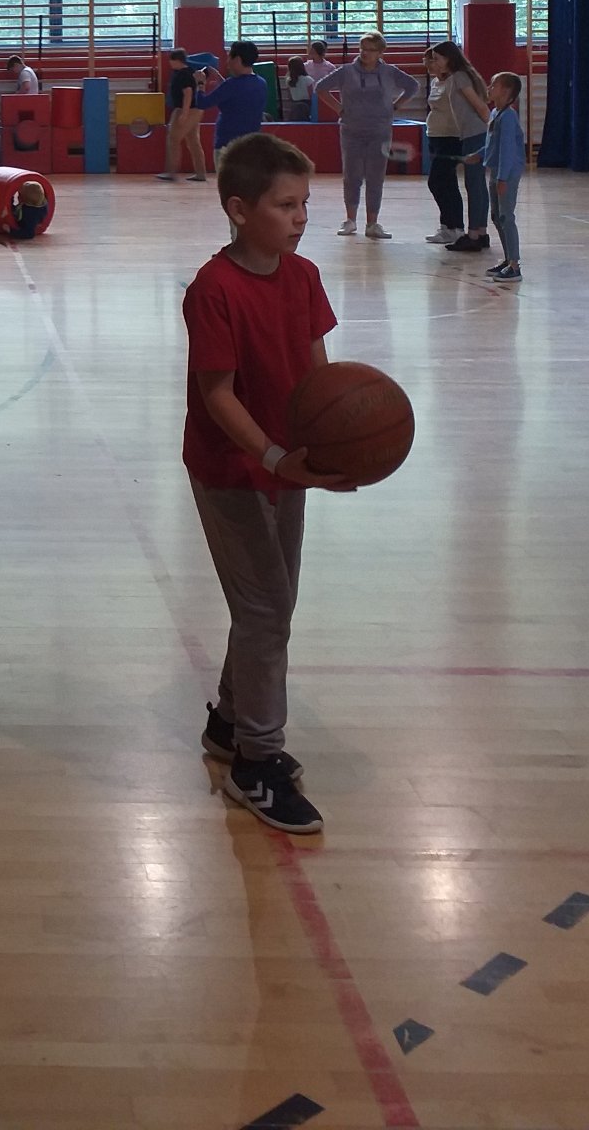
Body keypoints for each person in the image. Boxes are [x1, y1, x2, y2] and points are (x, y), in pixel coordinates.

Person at [183, 132, 353, 836]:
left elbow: (318, 373)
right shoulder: (213, 290)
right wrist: (275, 457)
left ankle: (229, 724)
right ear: (239, 209)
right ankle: (256, 761)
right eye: (286, 205)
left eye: (305, 204)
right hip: (231, 470)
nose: (301, 217)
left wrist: (330, 440)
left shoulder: (304, 277)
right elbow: (217, 395)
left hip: (287, 462)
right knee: (265, 609)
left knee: (271, 604)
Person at [313, 32, 420, 239]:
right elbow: (321, 88)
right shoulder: (346, 71)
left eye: (371, 50)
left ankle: (372, 223)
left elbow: (413, 86)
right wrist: (339, 108)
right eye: (362, 48)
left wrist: (396, 105)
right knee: (351, 176)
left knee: (375, 177)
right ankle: (350, 220)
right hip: (351, 130)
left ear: (380, 53)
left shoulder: (389, 72)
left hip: (380, 131)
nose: (365, 53)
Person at [423, 41, 491, 254]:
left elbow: (480, 107)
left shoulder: (459, 77)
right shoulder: (455, 77)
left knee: (474, 185)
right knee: (475, 184)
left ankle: (473, 235)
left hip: (474, 134)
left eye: (437, 59)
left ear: (449, 58)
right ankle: (480, 233)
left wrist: (493, 131)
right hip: (468, 134)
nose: (434, 63)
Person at [200, 40, 269, 169]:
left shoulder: (231, 85)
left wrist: (200, 84)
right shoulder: (261, 83)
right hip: (251, 145)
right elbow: (238, 99)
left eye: (229, 57)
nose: (227, 63)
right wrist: (222, 81)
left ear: (237, 59)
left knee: (228, 181)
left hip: (228, 146)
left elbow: (202, 103)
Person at [485, 72, 526, 284]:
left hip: (507, 173)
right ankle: (508, 259)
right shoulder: (495, 113)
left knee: (506, 217)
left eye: (494, 85)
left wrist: (502, 178)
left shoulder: (508, 117)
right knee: (496, 216)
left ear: (507, 91)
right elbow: (493, 144)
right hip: (497, 171)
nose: (489, 88)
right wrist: (479, 155)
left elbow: (507, 150)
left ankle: (515, 266)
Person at [157, 48, 207, 182]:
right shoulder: (188, 72)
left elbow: (188, 94)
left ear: (177, 61)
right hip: (195, 110)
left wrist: (184, 113)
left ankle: (171, 172)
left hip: (186, 109)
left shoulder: (183, 74)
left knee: (173, 138)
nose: (170, 63)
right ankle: (200, 173)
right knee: (193, 141)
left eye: (171, 60)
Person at [282, 58, 313, 123]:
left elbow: (289, 96)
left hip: (294, 105)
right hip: (306, 105)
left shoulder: (289, 81)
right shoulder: (308, 79)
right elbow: (311, 95)